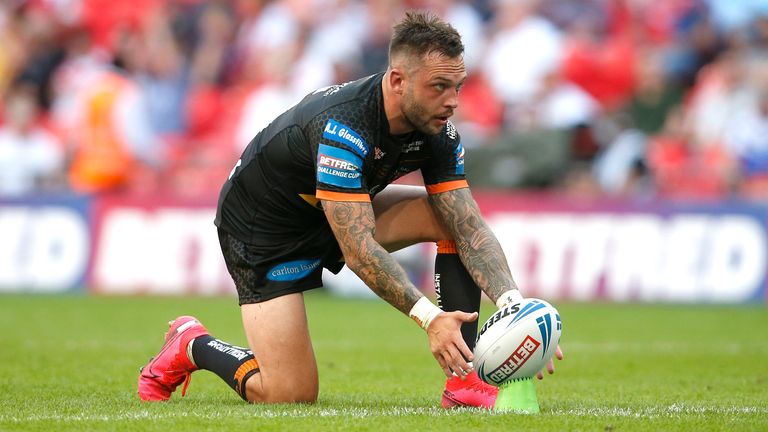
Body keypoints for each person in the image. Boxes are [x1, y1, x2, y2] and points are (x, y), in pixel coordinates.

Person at [138, 11, 562, 408]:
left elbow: (469, 226)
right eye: (438, 87)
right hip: (262, 229)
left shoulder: (438, 129)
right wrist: (431, 318)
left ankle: (464, 381)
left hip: (339, 209)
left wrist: (512, 306)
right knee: (290, 395)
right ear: (398, 80)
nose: (452, 101)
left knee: (451, 220)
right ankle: (191, 343)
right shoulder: (344, 125)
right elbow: (359, 250)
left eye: (458, 86)